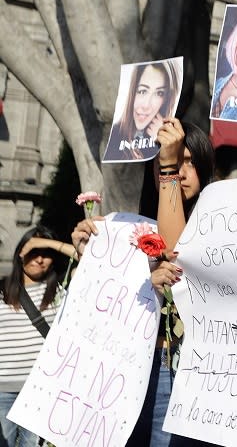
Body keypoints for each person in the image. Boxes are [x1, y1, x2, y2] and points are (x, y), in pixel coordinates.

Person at [72, 119, 215, 447]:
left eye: (189, 162)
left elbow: (175, 252)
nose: (178, 172)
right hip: (124, 364)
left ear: (205, 169)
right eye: (169, 163)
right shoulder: (127, 229)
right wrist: (91, 258)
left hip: (176, 369)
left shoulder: (218, 228)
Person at [0, 226, 75, 447]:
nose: (40, 259)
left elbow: (91, 259)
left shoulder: (61, 289)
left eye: (47, 253)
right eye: (34, 252)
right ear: (20, 253)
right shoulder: (2, 291)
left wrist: (48, 243)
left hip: (40, 391)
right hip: (2, 389)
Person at [105, 60, 181, 161]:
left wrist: (161, 143)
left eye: (159, 93)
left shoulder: (172, 133)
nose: (146, 105)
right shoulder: (114, 133)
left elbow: (171, 175)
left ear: (166, 99)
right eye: (142, 91)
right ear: (132, 91)